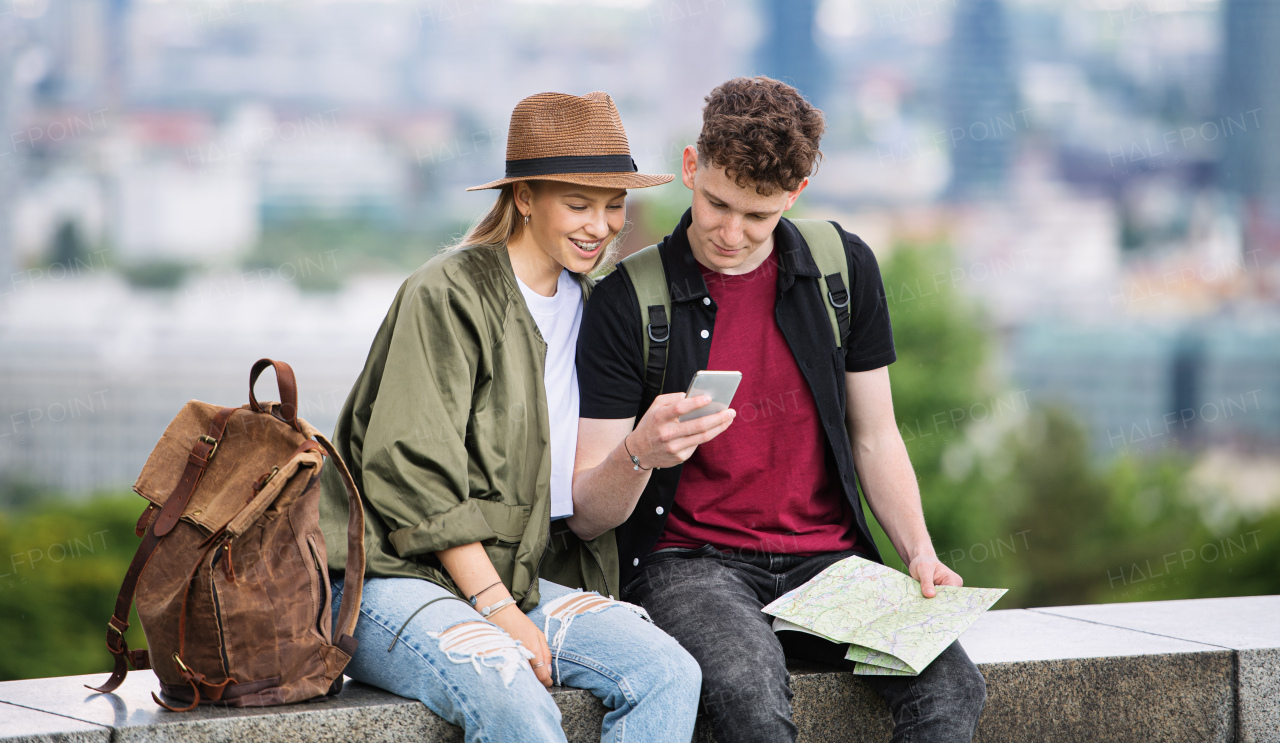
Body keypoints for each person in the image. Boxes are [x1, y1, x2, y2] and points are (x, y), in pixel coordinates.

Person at [569, 76, 988, 743]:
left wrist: (919, 552)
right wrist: (640, 451)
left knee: (954, 686)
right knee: (752, 699)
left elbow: (876, 437)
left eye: (758, 216)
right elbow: (589, 513)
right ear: (689, 167)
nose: (730, 233)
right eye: (716, 203)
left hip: (828, 562)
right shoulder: (628, 299)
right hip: (689, 562)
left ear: (794, 197)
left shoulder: (841, 269)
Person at [317, 91, 701, 743]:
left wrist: (645, 447)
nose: (601, 225)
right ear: (524, 197)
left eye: (614, 206)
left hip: (519, 575)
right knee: (509, 692)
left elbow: (582, 500)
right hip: (388, 577)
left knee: (668, 671)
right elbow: (414, 480)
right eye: (578, 203)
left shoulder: (596, 307)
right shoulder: (449, 292)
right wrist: (499, 610)